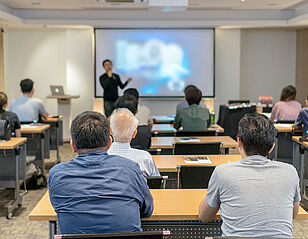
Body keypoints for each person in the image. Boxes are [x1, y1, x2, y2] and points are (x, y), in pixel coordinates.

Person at [48, 111, 153, 234]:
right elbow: (147, 209)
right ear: (109, 143)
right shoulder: (130, 168)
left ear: (73, 145)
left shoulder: (57, 174)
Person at [199, 113, 301, 238]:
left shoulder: (222, 172)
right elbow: (293, 215)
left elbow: (204, 216)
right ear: (272, 146)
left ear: (239, 142)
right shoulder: (290, 172)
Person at [108, 108, 160, 177]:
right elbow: (156, 182)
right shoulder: (145, 158)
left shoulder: (101, 158)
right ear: (134, 133)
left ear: (110, 131)